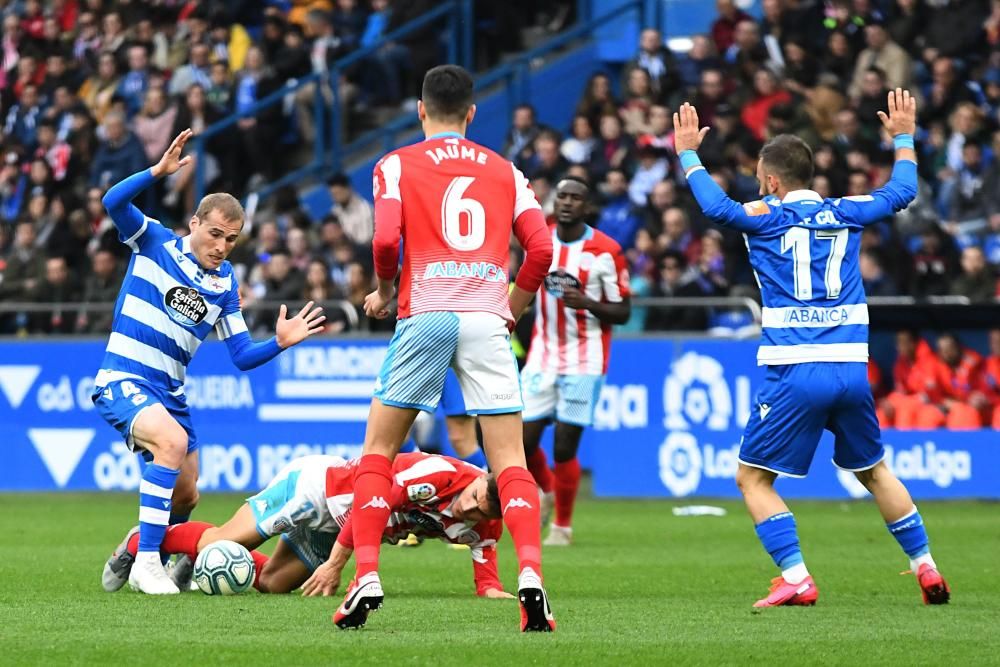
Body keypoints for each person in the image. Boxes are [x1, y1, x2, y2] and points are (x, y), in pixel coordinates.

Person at [673, 89, 950, 607]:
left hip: (793, 368)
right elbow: (903, 190)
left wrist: (688, 152)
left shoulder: (766, 215)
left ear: (773, 181)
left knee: (752, 478)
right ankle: (926, 567)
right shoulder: (847, 211)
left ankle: (797, 575)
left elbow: (715, 207)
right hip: (850, 368)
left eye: (761, 177)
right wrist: (905, 137)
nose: (759, 184)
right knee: (874, 470)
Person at [338, 65, 555, 632]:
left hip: (426, 311)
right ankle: (530, 574)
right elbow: (541, 247)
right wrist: (515, 305)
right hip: (487, 315)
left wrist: (385, 291)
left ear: (420, 110)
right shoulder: (506, 171)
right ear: (473, 113)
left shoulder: (395, 164)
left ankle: (366, 576)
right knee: (510, 460)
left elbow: (386, 238)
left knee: (378, 453)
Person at [91, 129, 326, 595]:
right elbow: (112, 202)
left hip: (170, 391)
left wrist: (279, 342)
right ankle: (148, 566)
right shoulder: (154, 241)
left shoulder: (225, 284)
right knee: (172, 444)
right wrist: (156, 173)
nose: (221, 245)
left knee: (188, 493)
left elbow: (241, 356)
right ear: (195, 223)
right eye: (215, 233)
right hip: (123, 376)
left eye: (231, 239)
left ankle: (142, 547)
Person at [101, 453, 511, 599]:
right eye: (473, 495)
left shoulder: (486, 526)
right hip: (316, 489)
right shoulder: (435, 474)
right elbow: (370, 509)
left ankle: (198, 560)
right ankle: (141, 542)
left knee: (272, 584)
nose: (466, 508)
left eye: (477, 512)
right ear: (479, 478)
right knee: (225, 539)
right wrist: (336, 566)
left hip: (338, 526)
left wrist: (500, 594)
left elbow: (487, 580)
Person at [521, 177, 631, 545]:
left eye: (576, 198)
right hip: (542, 353)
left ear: (587, 206)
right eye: (562, 196)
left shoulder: (605, 251)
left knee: (564, 447)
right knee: (521, 441)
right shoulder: (539, 239)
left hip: (586, 357)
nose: (567, 202)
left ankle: (562, 527)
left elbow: (623, 311)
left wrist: (588, 303)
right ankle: (547, 491)